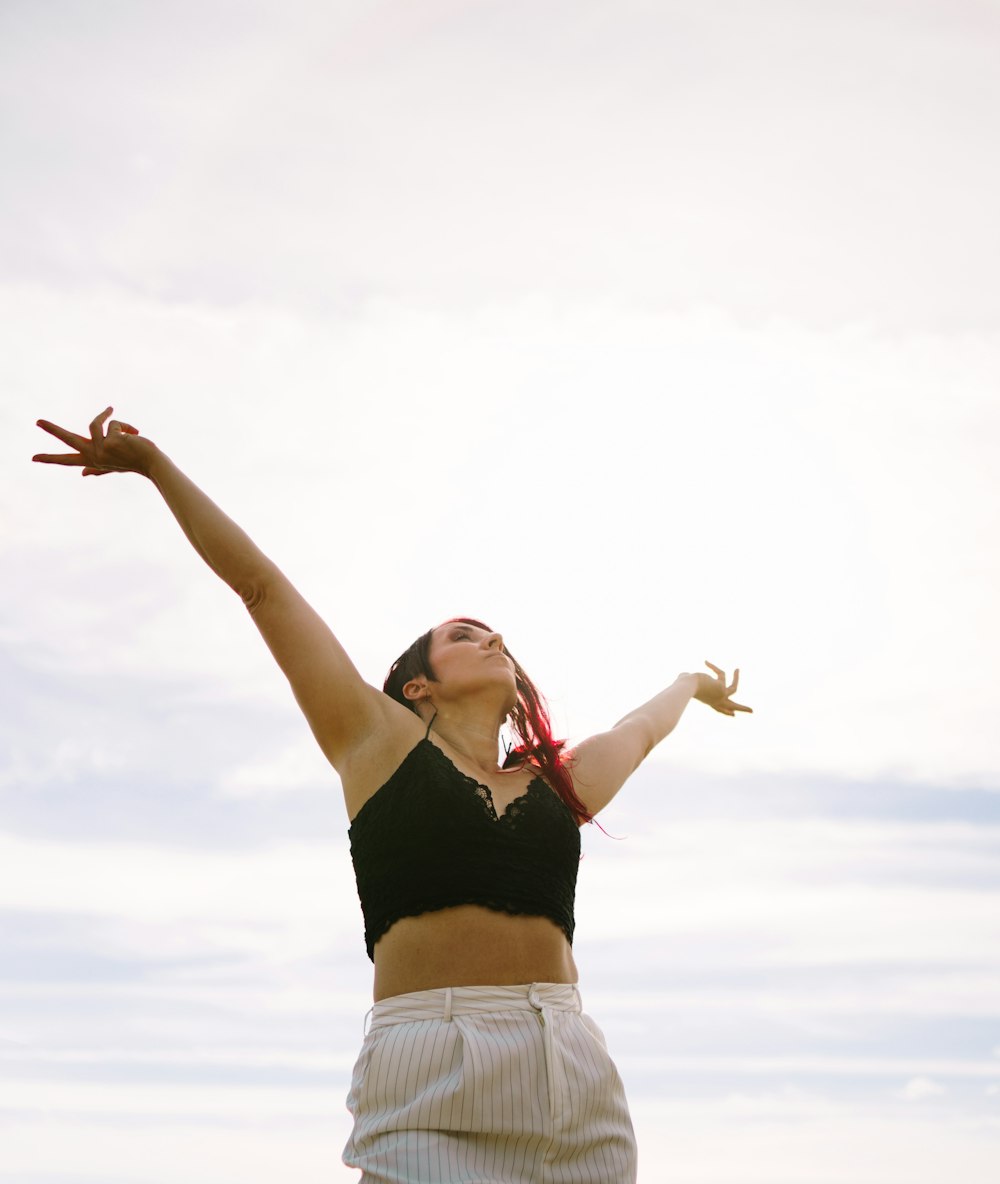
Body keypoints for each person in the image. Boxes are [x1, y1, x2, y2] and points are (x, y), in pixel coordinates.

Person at [34, 407, 752, 1183]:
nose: (491, 639)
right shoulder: (376, 742)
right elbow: (262, 588)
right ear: (420, 685)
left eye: (496, 635)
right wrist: (155, 467)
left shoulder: (555, 783)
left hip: (574, 1079)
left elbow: (641, 729)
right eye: (463, 636)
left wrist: (692, 684)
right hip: (434, 1070)